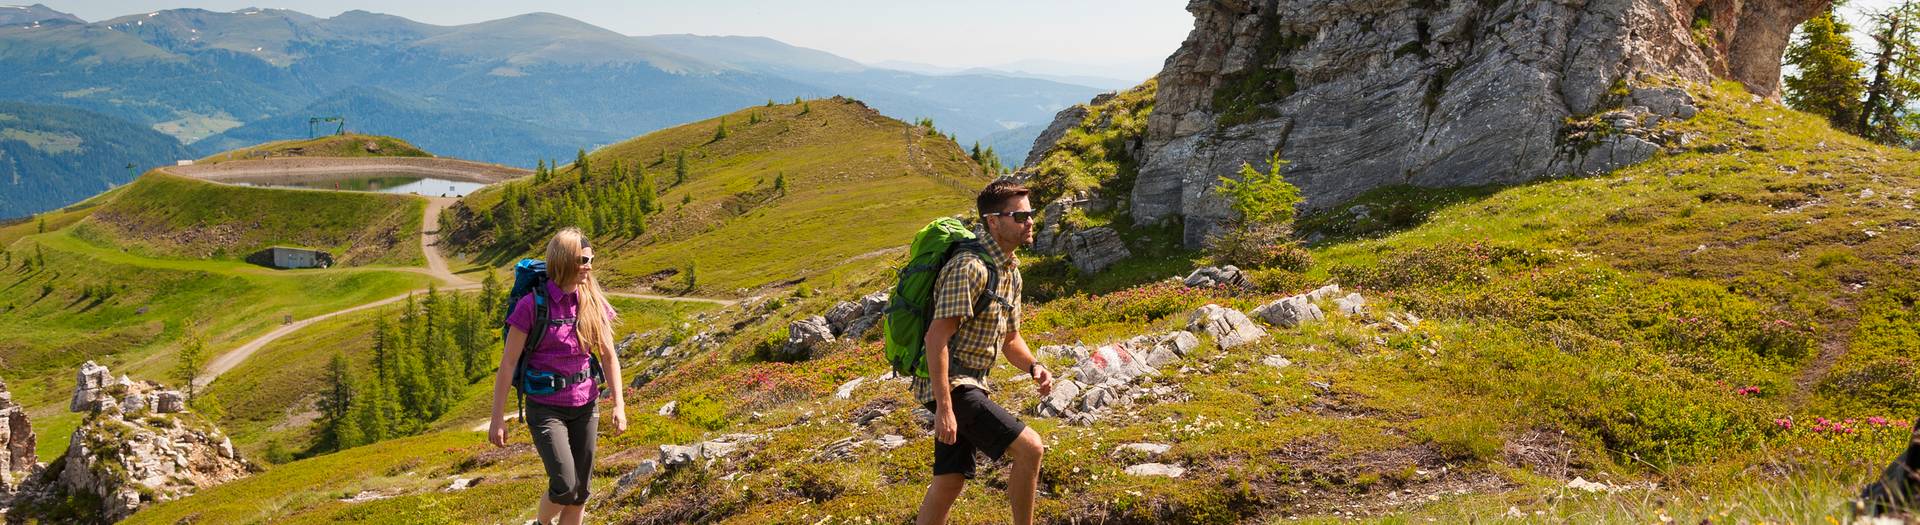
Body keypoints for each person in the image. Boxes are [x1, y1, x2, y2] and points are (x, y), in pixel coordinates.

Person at [914, 180, 1055, 525]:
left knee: (950, 480)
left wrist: (1034, 365)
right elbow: (936, 338)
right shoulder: (969, 268)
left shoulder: (1010, 271)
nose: (1030, 222)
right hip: (952, 384)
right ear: (993, 221)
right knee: (1030, 448)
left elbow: (1011, 339)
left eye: (1031, 214)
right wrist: (945, 408)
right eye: (1020, 216)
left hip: (971, 383)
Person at [488, 227, 628, 525]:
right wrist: (497, 418)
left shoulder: (592, 303)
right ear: (563, 261)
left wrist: (619, 405)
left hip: (586, 405)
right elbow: (508, 362)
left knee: (581, 492)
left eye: (591, 259)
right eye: (583, 260)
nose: (589, 266)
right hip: (545, 408)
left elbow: (608, 356)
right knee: (565, 486)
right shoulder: (531, 306)